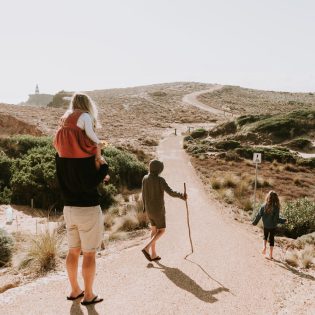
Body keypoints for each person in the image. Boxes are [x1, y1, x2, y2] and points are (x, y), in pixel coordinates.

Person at [55, 153, 109, 306]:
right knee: (89, 253)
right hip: (88, 209)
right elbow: (89, 182)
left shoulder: (60, 153)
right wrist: (104, 167)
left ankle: (75, 290)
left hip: (69, 208)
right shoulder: (87, 154)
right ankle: (89, 294)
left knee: (73, 250)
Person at [141, 159, 187, 261]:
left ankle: (153, 254)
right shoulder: (160, 180)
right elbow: (170, 192)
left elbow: (143, 193)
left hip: (149, 209)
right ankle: (146, 248)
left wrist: (144, 208)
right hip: (158, 210)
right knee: (161, 230)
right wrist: (181, 196)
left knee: (154, 230)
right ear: (159, 169)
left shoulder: (145, 178)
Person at [53, 92, 105, 169]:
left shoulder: (68, 113)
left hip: (62, 146)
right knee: (95, 151)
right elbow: (89, 132)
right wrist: (98, 142)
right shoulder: (85, 115)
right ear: (87, 104)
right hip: (75, 145)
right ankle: (99, 173)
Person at [252, 191, 286, 260]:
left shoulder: (263, 206)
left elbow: (258, 215)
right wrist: (283, 220)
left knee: (265, 236)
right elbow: (276, 219)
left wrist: (254, 222)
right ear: (276, 199)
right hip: (272, 226)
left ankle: (264, 247)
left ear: (268, 197)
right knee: (271, 239)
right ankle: (270, 254)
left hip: (266, 225)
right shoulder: (276, 208)